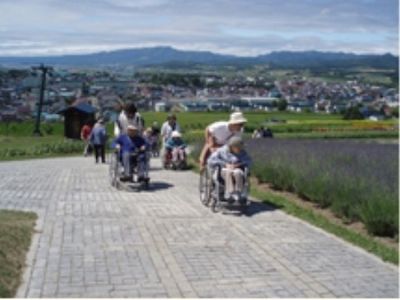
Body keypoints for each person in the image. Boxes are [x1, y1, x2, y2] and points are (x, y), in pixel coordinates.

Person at [207, 136, 251, 201]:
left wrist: (238, 164)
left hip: (236, 169)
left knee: (238, 172)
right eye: (238, 148)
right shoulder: (221, 151)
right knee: (228, 172)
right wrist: (225, 164)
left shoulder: (242, 152)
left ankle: (238, 192)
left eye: (240, 147)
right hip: (223, 170)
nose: (240, 149)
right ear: (232, 147)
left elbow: (248, 160)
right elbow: (211, 160)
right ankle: (230, 192)